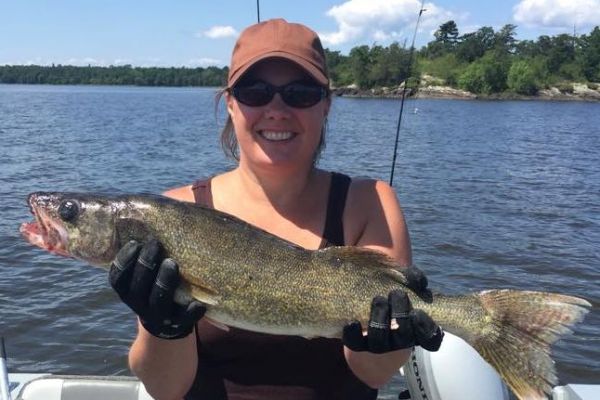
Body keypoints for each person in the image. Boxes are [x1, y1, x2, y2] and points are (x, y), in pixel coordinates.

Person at [109, 18, 443, 400]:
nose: (277, 109)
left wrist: (385, 342)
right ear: (231, 104)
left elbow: (372, 372)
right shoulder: (174, 211)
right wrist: (163, 327)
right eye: (255, 91)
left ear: (326, 106)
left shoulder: (371, 203)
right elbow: (166, 389)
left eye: (300, 93)